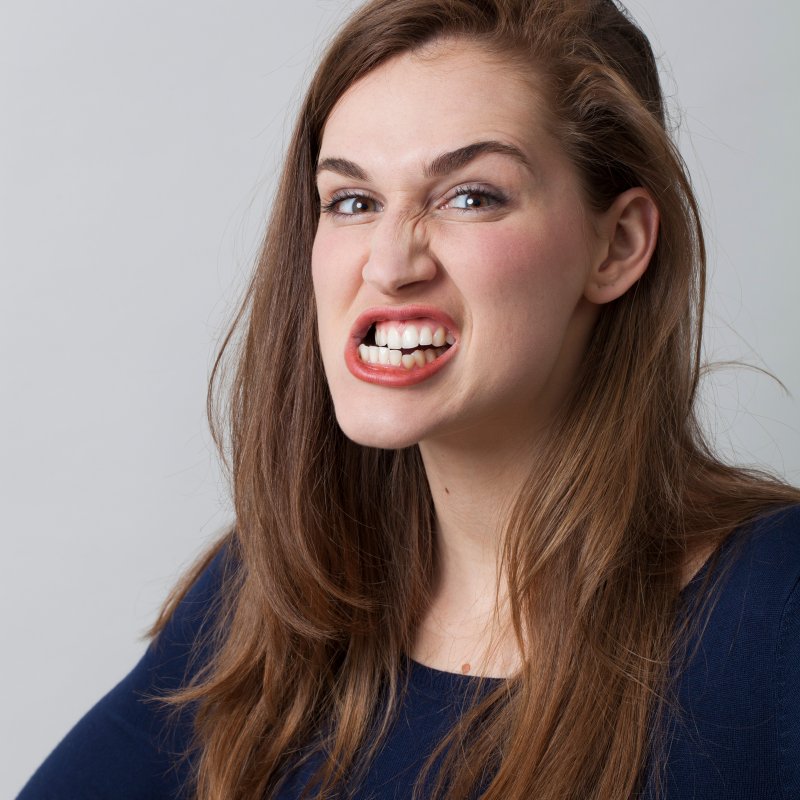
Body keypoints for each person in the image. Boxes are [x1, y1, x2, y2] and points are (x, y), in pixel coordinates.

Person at [18, 0, 800, 798]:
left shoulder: (777, 611)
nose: (390, 264)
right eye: (352, 202)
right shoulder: (269, 599)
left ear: (619, 244)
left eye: (470, 197)